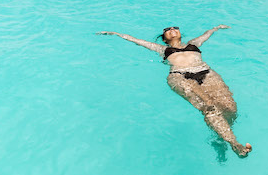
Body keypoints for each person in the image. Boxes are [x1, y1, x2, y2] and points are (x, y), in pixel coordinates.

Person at [96, 25, 252, 157]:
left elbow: (206, 35)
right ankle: (234, 143)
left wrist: (216, 28)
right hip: (180, 76)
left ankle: (219, 138)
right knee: (209, 107)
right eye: (167, 29)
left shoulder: (194, 43)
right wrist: (115, 34)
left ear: (180, 33)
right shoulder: (162, 49)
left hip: (206, 73)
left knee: (230, 109)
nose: (172, 29)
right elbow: (137, 40)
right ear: (164, 38)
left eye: (175, 28)